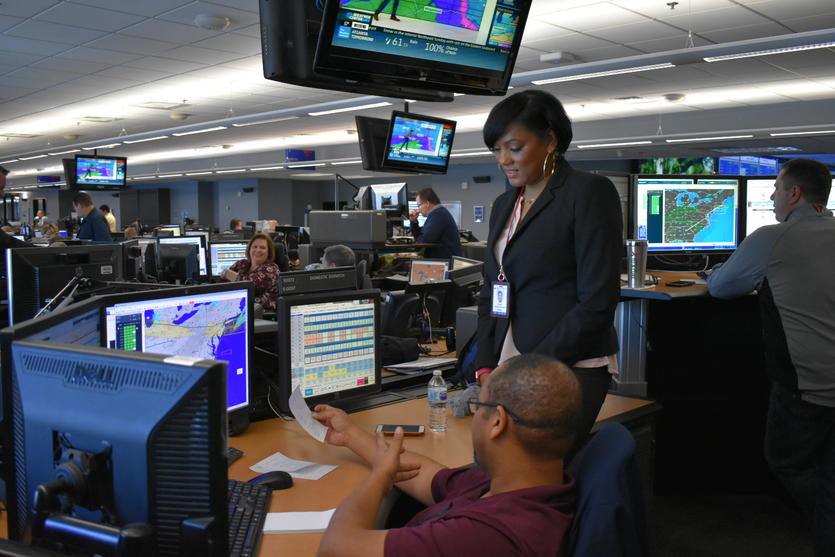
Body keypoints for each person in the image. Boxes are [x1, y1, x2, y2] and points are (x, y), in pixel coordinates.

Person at [473, 90, 623, 454]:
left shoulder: (587, 192)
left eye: (514, 148)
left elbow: (597, 300)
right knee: (490, 460)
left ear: (550, 140)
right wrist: (485, 365)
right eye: (496, 150)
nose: (504, 160)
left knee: (531, 470)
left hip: (569, 363)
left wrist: (530, 369)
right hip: (509, 362)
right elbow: (492, 287)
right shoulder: (504, 203)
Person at [314, 353, 579, 557]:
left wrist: (379, 479)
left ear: (497, 422)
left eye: (478, 405)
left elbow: (335, 548)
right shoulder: (520, 484)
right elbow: (426, 475)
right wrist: (350, 434)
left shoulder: (486, 536)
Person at [706, 158, 835, 556]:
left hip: (808, 385)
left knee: (786, 461)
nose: (772, 196)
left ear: (794, 193)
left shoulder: (772, 237)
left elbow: (721, 287)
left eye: (776, 189)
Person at [220, 233, 280, 310]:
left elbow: (249, 284)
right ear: (249, 249)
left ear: (269, 252)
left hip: (259, 312)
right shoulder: (241, 263)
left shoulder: (271, 269)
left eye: (262, 248)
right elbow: (221, 283)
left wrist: (226, 273)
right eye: (255, 246)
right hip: (236, 306)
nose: (258, 250)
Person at [408, 187, 463, 259]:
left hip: (447, 261)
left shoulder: (438, 215)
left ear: (427, 203)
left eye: (419, 205)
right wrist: (414, 221)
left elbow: (425, 240)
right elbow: (422, 237)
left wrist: (417, 240)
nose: (418, 209)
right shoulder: (436, 214)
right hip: (444, 259)